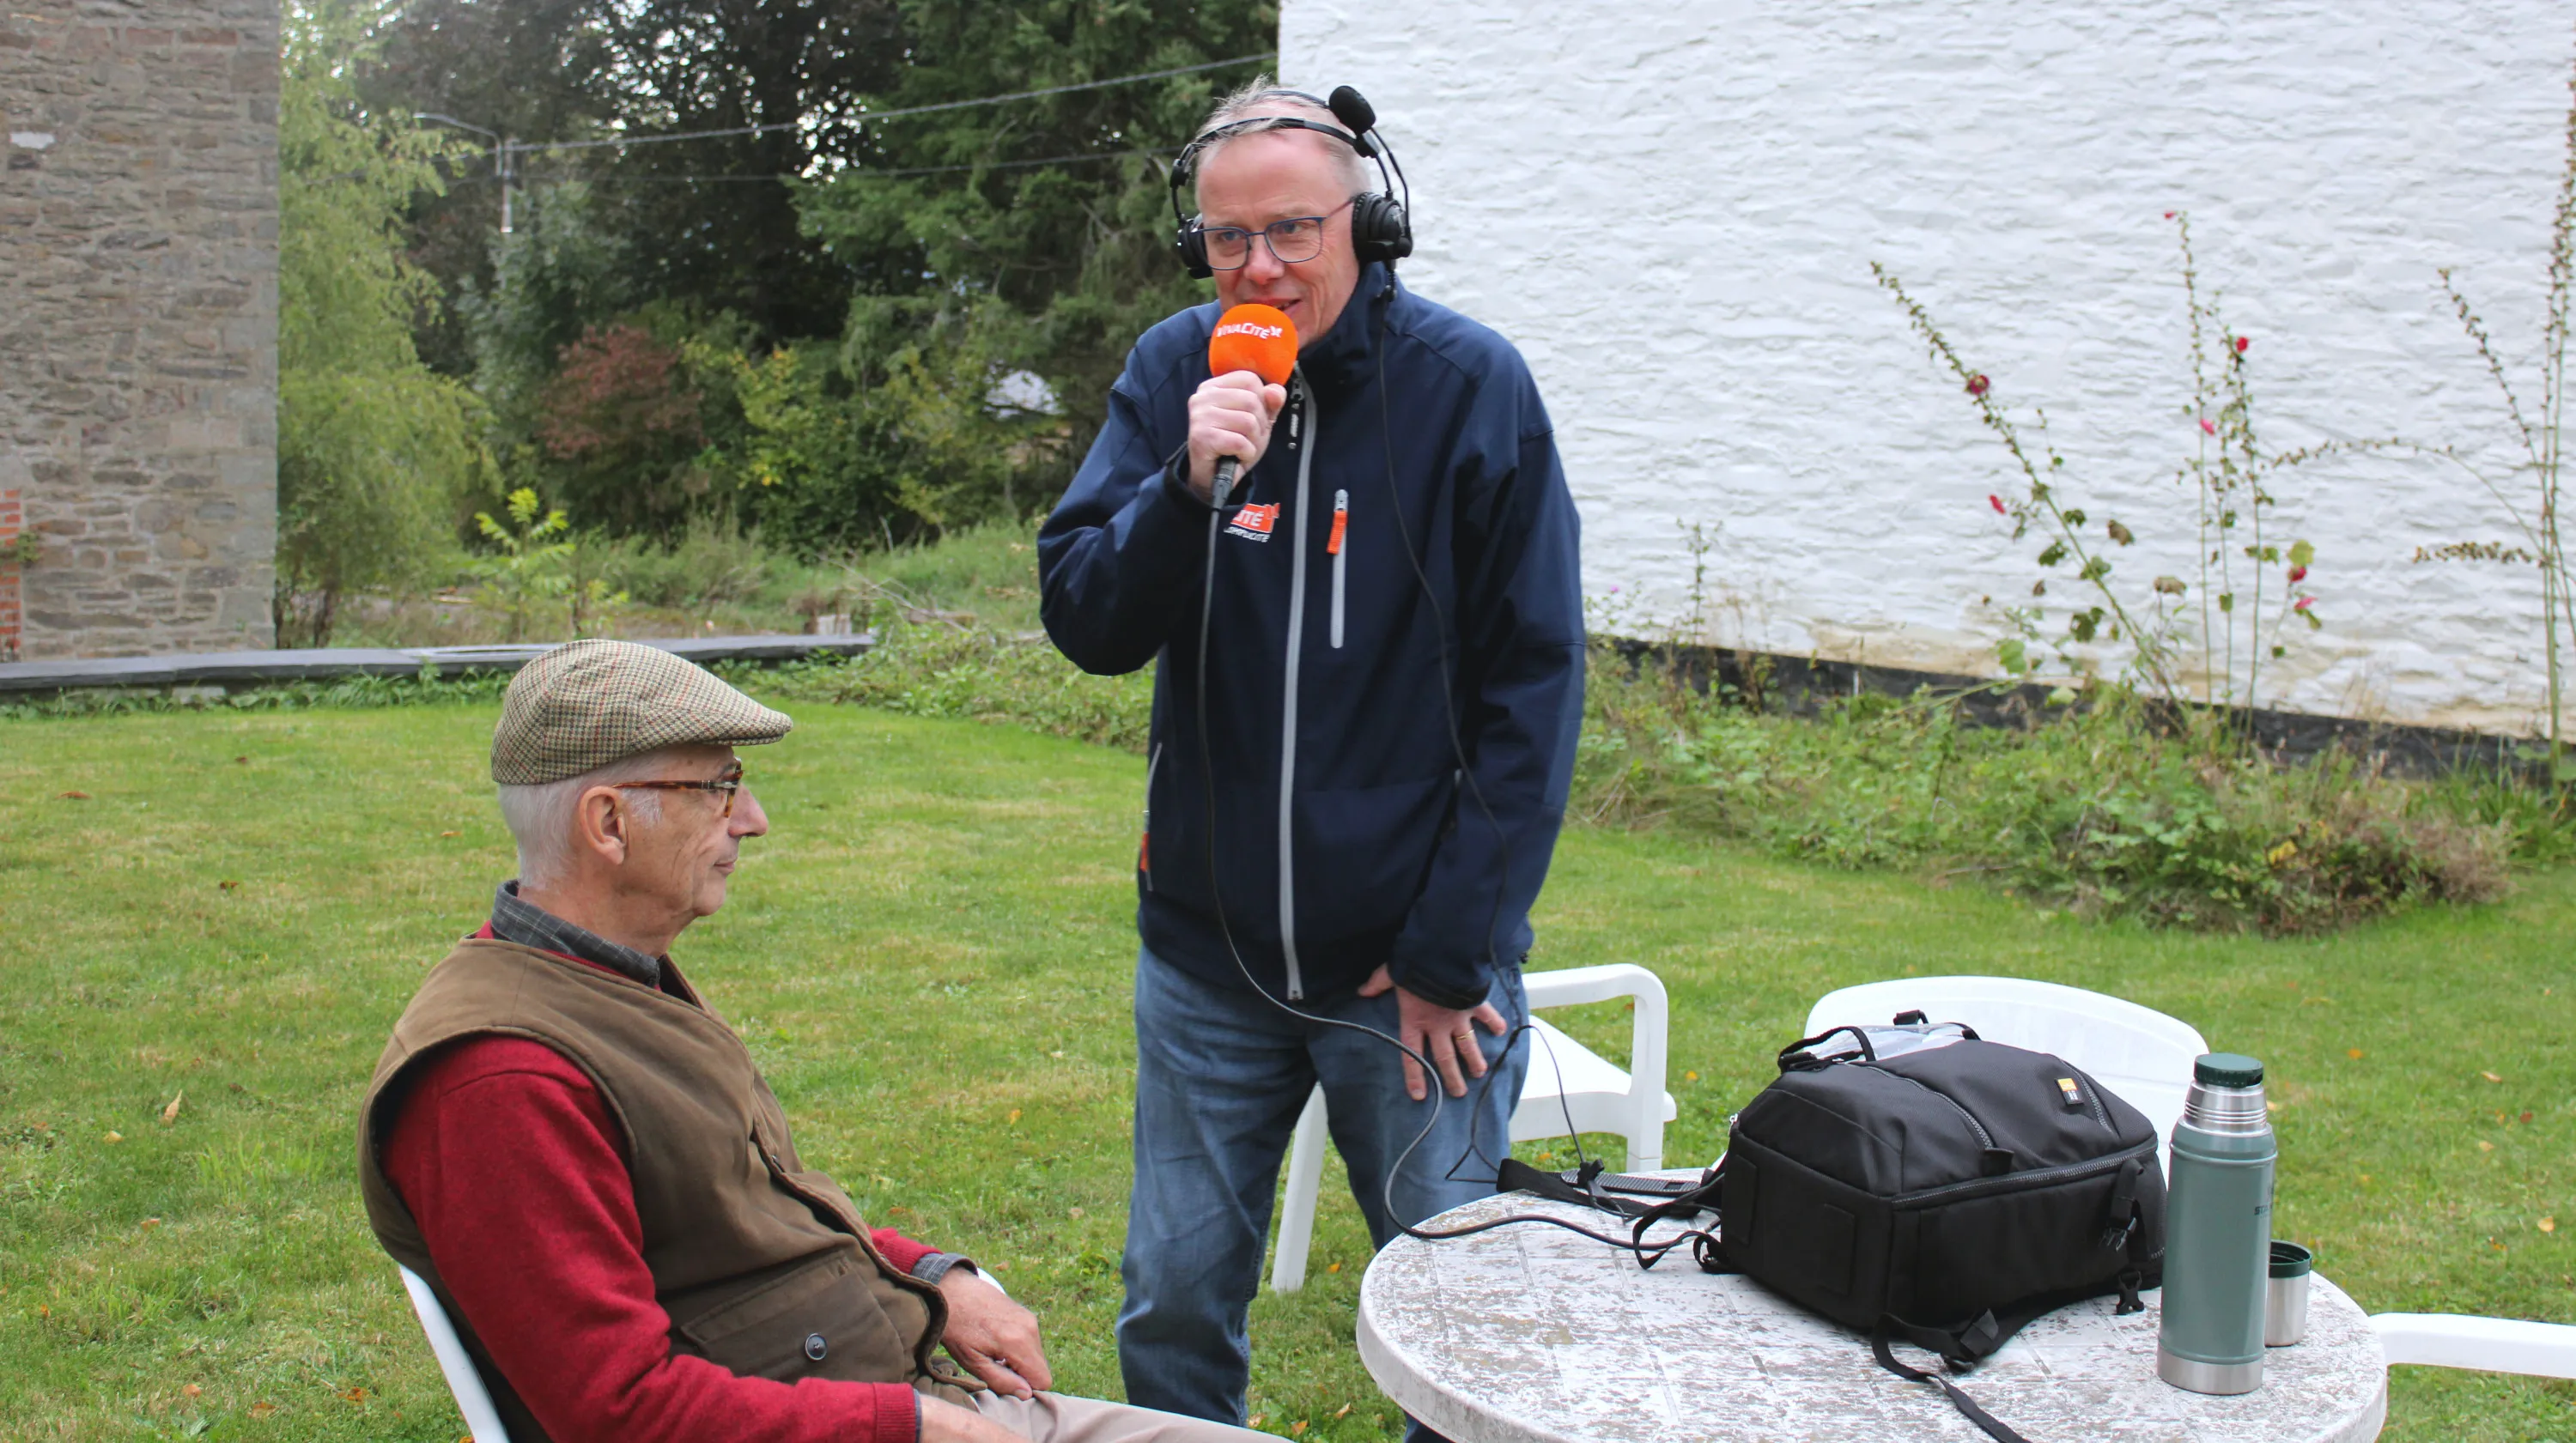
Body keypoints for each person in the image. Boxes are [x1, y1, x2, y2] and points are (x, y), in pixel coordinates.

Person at [1036, 79, 1585, 1425]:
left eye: (1293, 230)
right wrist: (1186, 486)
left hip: (1407, 980)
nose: (1262, 266)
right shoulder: (1175, 371)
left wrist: (1453, 951)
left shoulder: (1470, 387)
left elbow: (1534, 689)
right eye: (1229, 238)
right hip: (1205, 961)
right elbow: (1088, 620)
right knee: (1171, 1297)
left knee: (1457, 1318)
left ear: (1369, 224)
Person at [356, 640, 1268, 1443]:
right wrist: (906, 1426)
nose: (751, 818)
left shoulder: (606, 980)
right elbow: (618, 1414)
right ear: (608, 824)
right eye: (718, 787)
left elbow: (749, 1214)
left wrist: (931, 1276)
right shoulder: (499, 1080)